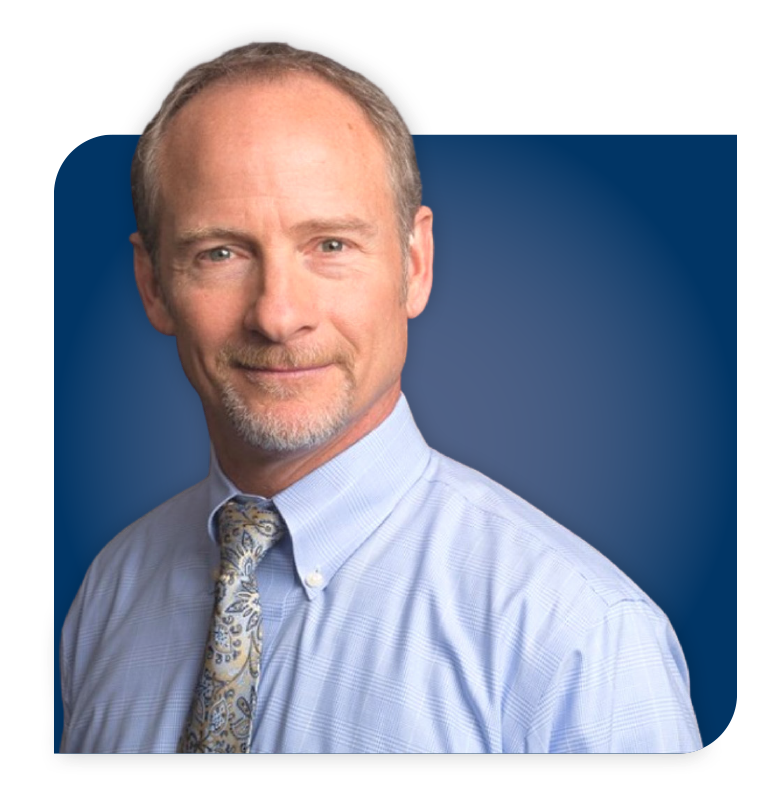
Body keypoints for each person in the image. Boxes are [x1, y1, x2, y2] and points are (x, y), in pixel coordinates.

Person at [60, 41, 702, 754]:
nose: (277, 316)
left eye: (330, 245)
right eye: (221, 253)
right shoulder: (111, 591)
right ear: (153, 284)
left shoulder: (578, 639)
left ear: (414, 264)